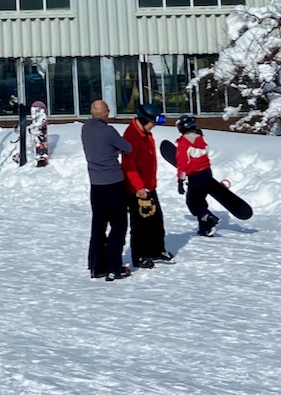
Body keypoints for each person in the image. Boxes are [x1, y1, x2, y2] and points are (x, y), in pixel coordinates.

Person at [81, 99, 133, 281]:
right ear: (104, 113)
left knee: (98, 226)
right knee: (118, 226)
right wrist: (115, 151)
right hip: (114, 183)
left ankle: (96, 266)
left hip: (96, 185)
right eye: (108, 110)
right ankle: (113, 267)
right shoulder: (108, 131)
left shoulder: (85, 129)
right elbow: (127, 147)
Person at [122, 103, 175, 268]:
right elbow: (128, 166)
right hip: (137, 190)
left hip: (149, 186)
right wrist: (138, 188)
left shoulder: (145, 133)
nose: (153, 126)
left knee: (156, 220)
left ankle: (156, 250)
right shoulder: (131, 136)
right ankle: (140, 256)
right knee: (140, 224)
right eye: (152, 122)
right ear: (144, 119)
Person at [174, 115, 219, 235]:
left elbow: (182, 163)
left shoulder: (184, 142)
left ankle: (207, 217)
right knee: (201, 200)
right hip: (207, 172)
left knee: (192, 202)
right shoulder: (200, 138)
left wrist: (180, 180)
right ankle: (205, 228)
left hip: (195, 175)